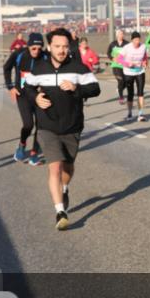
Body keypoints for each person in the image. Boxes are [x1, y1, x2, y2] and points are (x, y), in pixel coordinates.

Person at [23, 28, 100, 230]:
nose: (61, 50)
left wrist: (76, 88)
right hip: (47, 126)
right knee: (55, 167)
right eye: (57, 46)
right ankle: (60, 212)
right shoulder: (39, 68)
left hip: (72, 126)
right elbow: (27, 88)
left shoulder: (79, 68)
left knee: (68, 167)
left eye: (65, 46)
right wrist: (35, 97)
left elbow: (95, 89)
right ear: (49, 47)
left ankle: (64, 188)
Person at [4, 32, 46, 165]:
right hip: (22, 95)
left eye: (39, 48)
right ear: (28, 46)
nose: (36, 51)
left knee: (41, 125)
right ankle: (22, 145)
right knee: (28, 124)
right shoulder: (19, 54)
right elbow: (6, 68)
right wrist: (10, 87)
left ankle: (34, 154)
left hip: (39, 96)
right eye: (33, 48)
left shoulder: (45, 56)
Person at [116, 31, 148, 122]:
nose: (137, 41)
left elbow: (145, 57)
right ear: (132, 40)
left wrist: (145, 62)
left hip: (140, 72)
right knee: (130, 93)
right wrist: (127, 64)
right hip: (128, 73)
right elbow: (119, 59)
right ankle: (130, 113)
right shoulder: (126, 48)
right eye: (135, 40)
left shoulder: (143, 47)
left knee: (140, 93)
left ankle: (140, 114)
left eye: (138, 39)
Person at [106, 29, 129, 105]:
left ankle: (119, 89)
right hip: (116, 65)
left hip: (124, 65)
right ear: (117, 35)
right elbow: (108, 53)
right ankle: (121, 98)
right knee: (121, 81)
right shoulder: (113, 44)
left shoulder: (127, 44)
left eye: (122, 34)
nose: (121, 35)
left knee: (126, 82)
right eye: (119, 34)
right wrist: (112, 58)